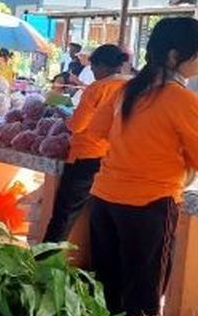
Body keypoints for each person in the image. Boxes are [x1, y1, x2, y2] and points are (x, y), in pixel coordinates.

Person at [87, 17, 198, 316]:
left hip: (105, 199)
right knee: (143, 300)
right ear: (175, 56)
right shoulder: (182, 99)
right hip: (150, 205)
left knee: (108, 293)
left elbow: (97, 130)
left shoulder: (128, 90)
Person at [41, 44, 132, 244]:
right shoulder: (132, 87)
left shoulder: (97, 88)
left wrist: (63, 112)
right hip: (115, 159)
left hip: (87, 157)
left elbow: (77, 125)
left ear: (101, 66)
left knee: (64, 215)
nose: (93, 72)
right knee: (102, 219)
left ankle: (47, 258)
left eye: (93, 68)